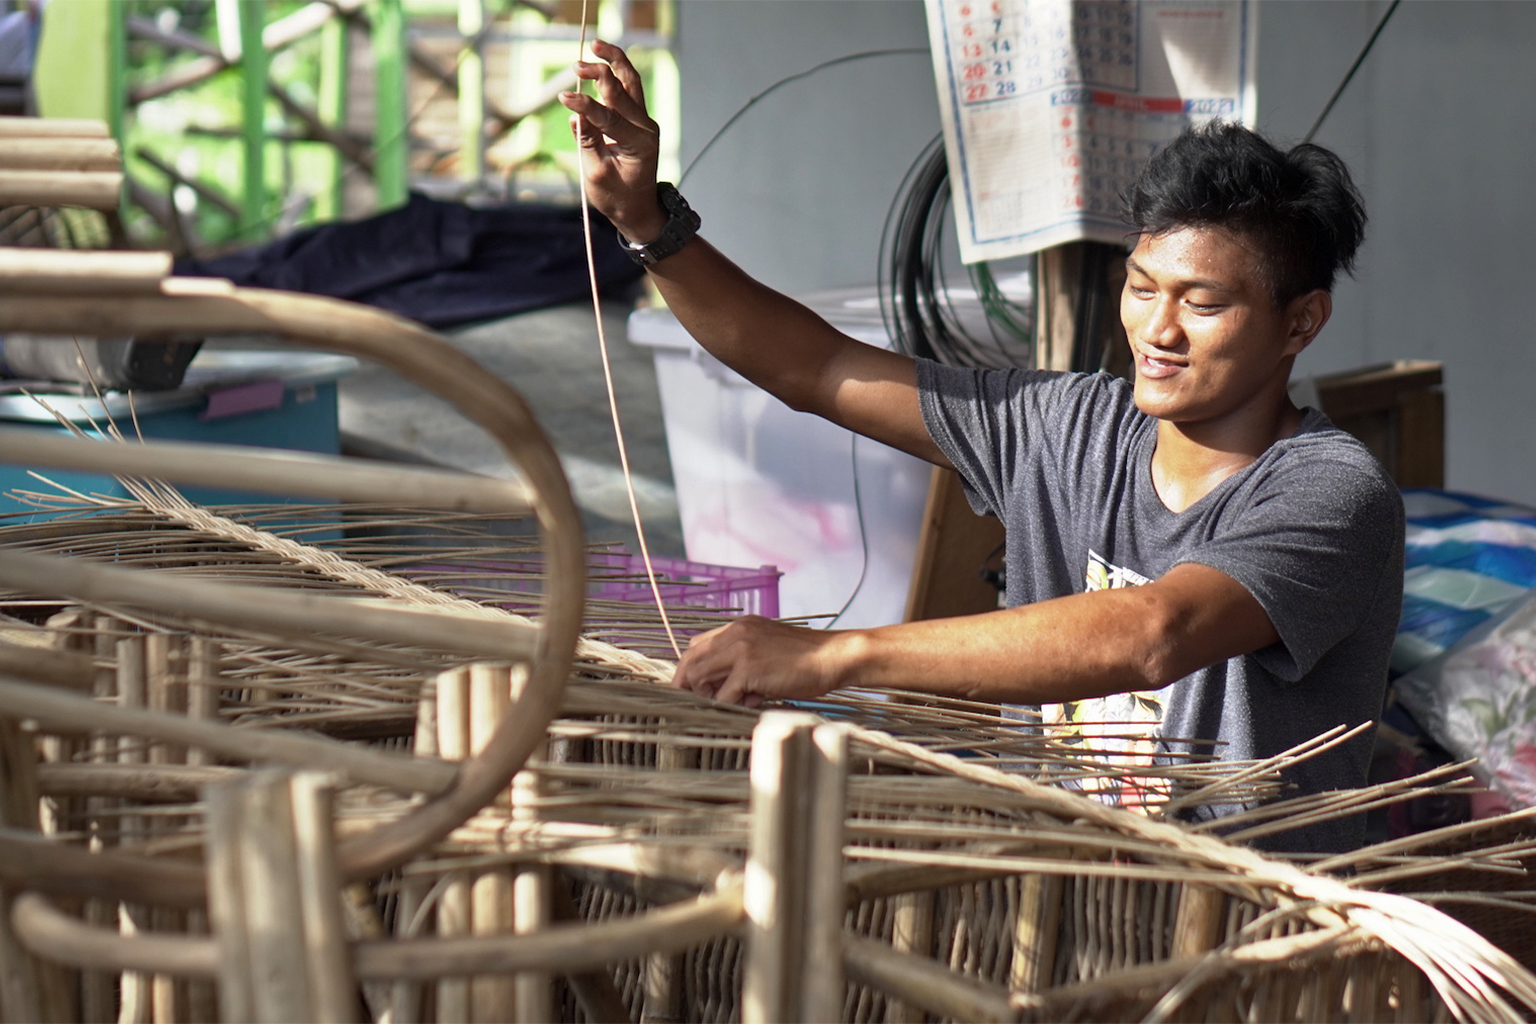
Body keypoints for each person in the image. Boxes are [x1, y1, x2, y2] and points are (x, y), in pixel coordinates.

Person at [560, 41, 1404, 852]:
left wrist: (835, 654)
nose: (1159, 328)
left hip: (1241, 944)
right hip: (1049, 902)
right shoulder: (1064, 426)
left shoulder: (1333, 491)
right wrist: (644, 219)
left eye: (1204, 303)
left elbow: (1155, 632)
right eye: (1142, 288)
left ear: (1301, 322)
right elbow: (814, 367)